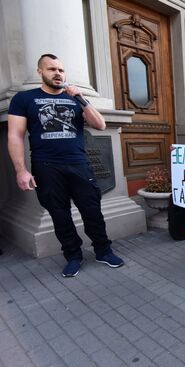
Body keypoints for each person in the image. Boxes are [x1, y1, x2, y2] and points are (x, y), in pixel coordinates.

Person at [7, 53, 124, 277]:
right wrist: (21, 170)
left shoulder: (75, 98)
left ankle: (103, 251)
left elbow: (100, 124)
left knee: (92, 211)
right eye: (51, 69)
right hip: (46, 166)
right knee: (60, 215)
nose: (57, 73)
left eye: (60, 70)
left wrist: (82, 98)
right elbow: (15, 136)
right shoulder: (24, 99)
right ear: (40, 71)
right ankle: (73, 256)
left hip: (79, 164)